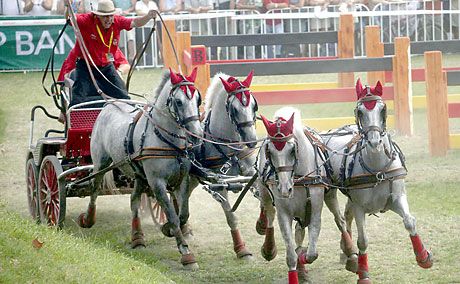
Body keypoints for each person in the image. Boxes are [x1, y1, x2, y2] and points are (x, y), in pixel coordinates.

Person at [65, 0, 157, 106]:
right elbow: (70, 18)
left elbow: (136, 22)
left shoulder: (117, 21)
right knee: (78, 100)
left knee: (124, 96)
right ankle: (78, 119)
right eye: (105, 16)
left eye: (110, 16)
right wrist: (67, 6)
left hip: (107, 66)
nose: (108, 19)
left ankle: (127, 120)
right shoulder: (87, 19)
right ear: (98, 16)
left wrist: (148, 16)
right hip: (86, 66)